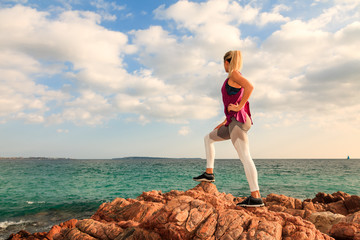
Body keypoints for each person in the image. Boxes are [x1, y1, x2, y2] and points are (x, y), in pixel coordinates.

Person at [193, 50, 264, 207]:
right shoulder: (232, 77)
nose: (223, 66)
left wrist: (239, 107)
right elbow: (235, 98)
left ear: (227, 62)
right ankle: (209, 173)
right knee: (209, 138)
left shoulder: (234, 75)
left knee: (245, 156)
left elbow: (250, 87)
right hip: (232, 121)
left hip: (238, 121)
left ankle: (256, 196)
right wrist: (225, 120)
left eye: (223, 63)